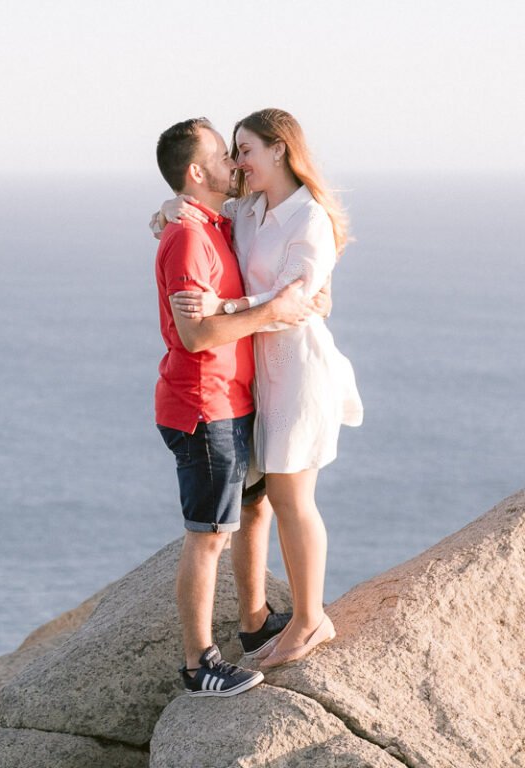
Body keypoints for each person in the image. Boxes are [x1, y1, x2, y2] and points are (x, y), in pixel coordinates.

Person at [155, 108, 363, 668]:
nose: (238, 162)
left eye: (244, 150)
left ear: (279, 149)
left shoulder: (309, 217)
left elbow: (295, 300)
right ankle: (266, 621)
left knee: (293, 498)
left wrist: (224, 306)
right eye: (232, 152)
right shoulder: (247, 211)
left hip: (296, 370)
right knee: (265, 501)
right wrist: (168, 208)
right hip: (255, 376)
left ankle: (308, 620)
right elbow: (194, 209)